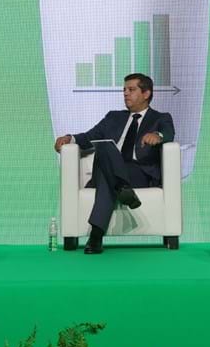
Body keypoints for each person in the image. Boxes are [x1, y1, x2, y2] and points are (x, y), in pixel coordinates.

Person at [53, 73, 174, 254]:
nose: (125, 93)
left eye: (131, 90)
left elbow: (168, 133)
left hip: (138, 173)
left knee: (105, 170)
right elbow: (88, 137)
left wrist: (158, 136)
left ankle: (96, 236)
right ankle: (121, 188)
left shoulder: (160, 118)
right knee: (106, 148)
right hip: (113, 170)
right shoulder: (113, 117)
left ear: (146, 93)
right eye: (124, 90)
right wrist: (69, 138)